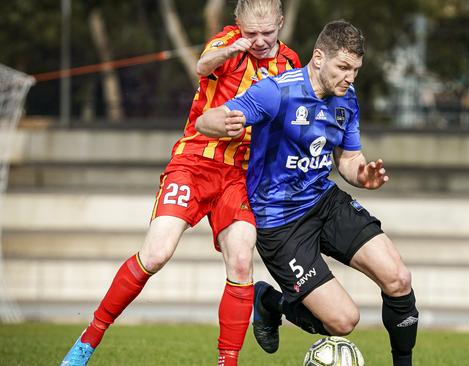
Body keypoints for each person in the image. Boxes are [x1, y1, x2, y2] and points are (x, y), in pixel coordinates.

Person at [60, 1, 301, 365]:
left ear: (280, 23)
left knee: (240, 260)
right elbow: (204, 65)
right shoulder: (226, 44)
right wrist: (233, 47)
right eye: (251, 33)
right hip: (194, 163)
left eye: (268, 32)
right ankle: (88, 339)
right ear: (237, 24)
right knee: (156, 254)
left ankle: (228, 362)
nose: (260, 41)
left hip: (239, 175)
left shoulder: (291, 64)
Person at [196, 20, 419, 366]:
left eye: (356, 70)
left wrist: (362, 176)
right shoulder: (277, 91)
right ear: (318, 58)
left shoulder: (347, 98)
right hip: (280, 222)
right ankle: (269, 302)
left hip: (323, 200)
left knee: (398, 278)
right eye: (343, 67)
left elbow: (348, 160)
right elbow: (206, 120)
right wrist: (221, 124)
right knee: (344, 321)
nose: (350, 77)